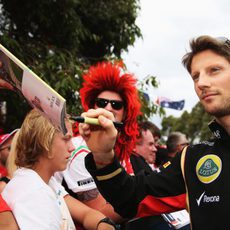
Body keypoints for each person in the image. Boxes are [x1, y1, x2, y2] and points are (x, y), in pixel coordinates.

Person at [78, 35, 230, 230]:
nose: (201, 83)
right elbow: (130, 200)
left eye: (214, 70)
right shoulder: (191, 160)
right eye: (196, 76)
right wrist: (103, 156)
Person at [2, 109, 116, 230]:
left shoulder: (44, 181)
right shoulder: (34, 192)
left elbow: (85, 213)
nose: (72, 147)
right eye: (66, 139)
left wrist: (103, 223)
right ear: (45, 142)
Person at [56, 61, 141, 223]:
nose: (108, 108)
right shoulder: (79, 149)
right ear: (92, 107)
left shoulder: (122, 149)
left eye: (116, 105)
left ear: (126, 113)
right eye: (102, 103)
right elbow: (101, 212)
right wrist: (151, 197)